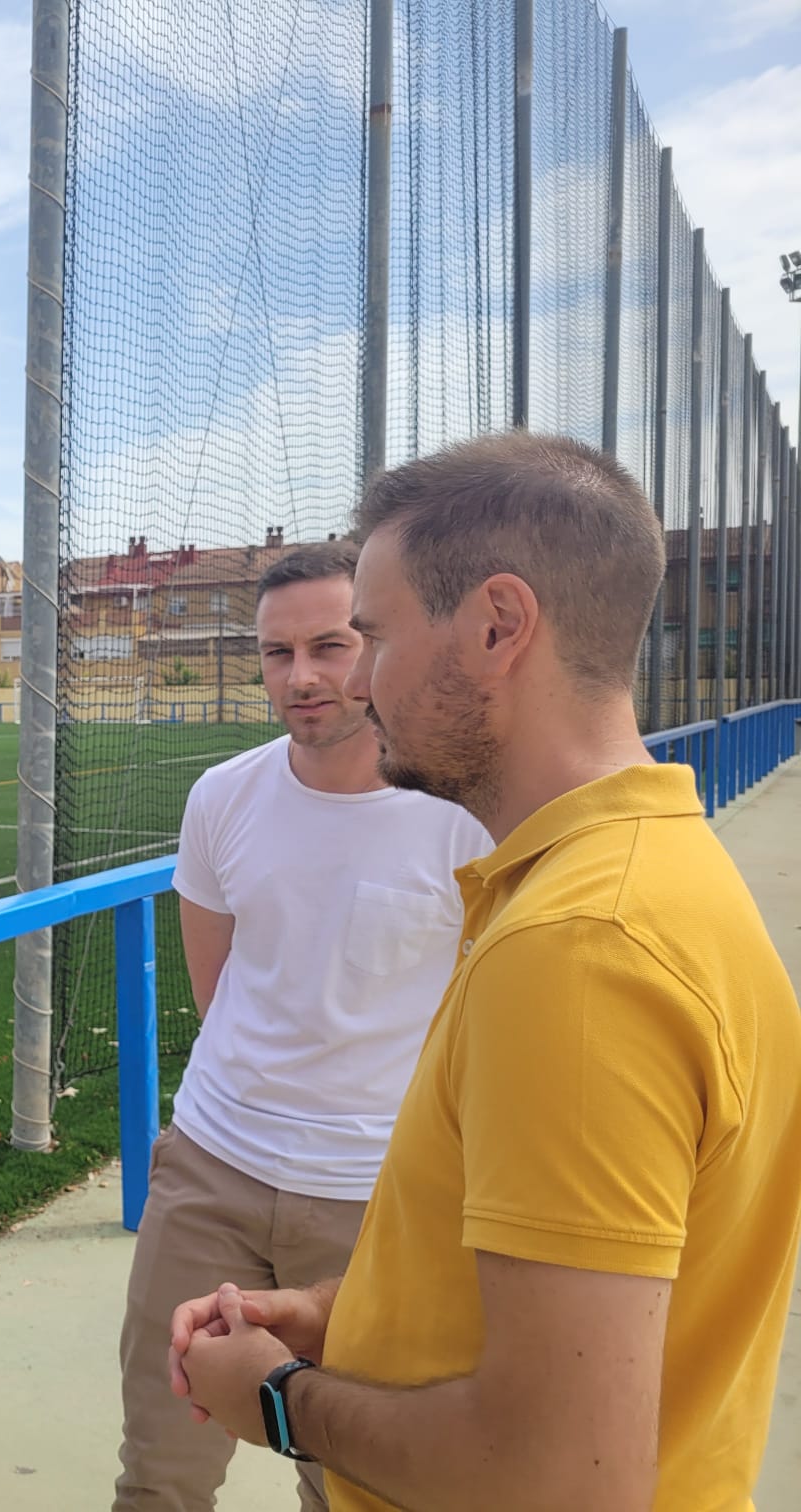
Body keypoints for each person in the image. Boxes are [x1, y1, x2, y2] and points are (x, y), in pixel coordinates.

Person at [169, 432, 801, 1511]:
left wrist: (281, 1398)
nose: (357, 678)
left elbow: (557, 1478)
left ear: (499, 625)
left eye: (374, 633)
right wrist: (348, 1316)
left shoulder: (583, 948)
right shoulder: (629, 874)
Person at [114, 541, 488, 1512]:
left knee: (359, 1488)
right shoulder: (223, 798)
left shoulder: (466, 821)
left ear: (385, 646)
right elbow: (221, 988)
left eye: (331, 645)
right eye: (278, 654)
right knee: (159, 1472)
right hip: (211, 1174)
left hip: (379, 1203)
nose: (303, 677)